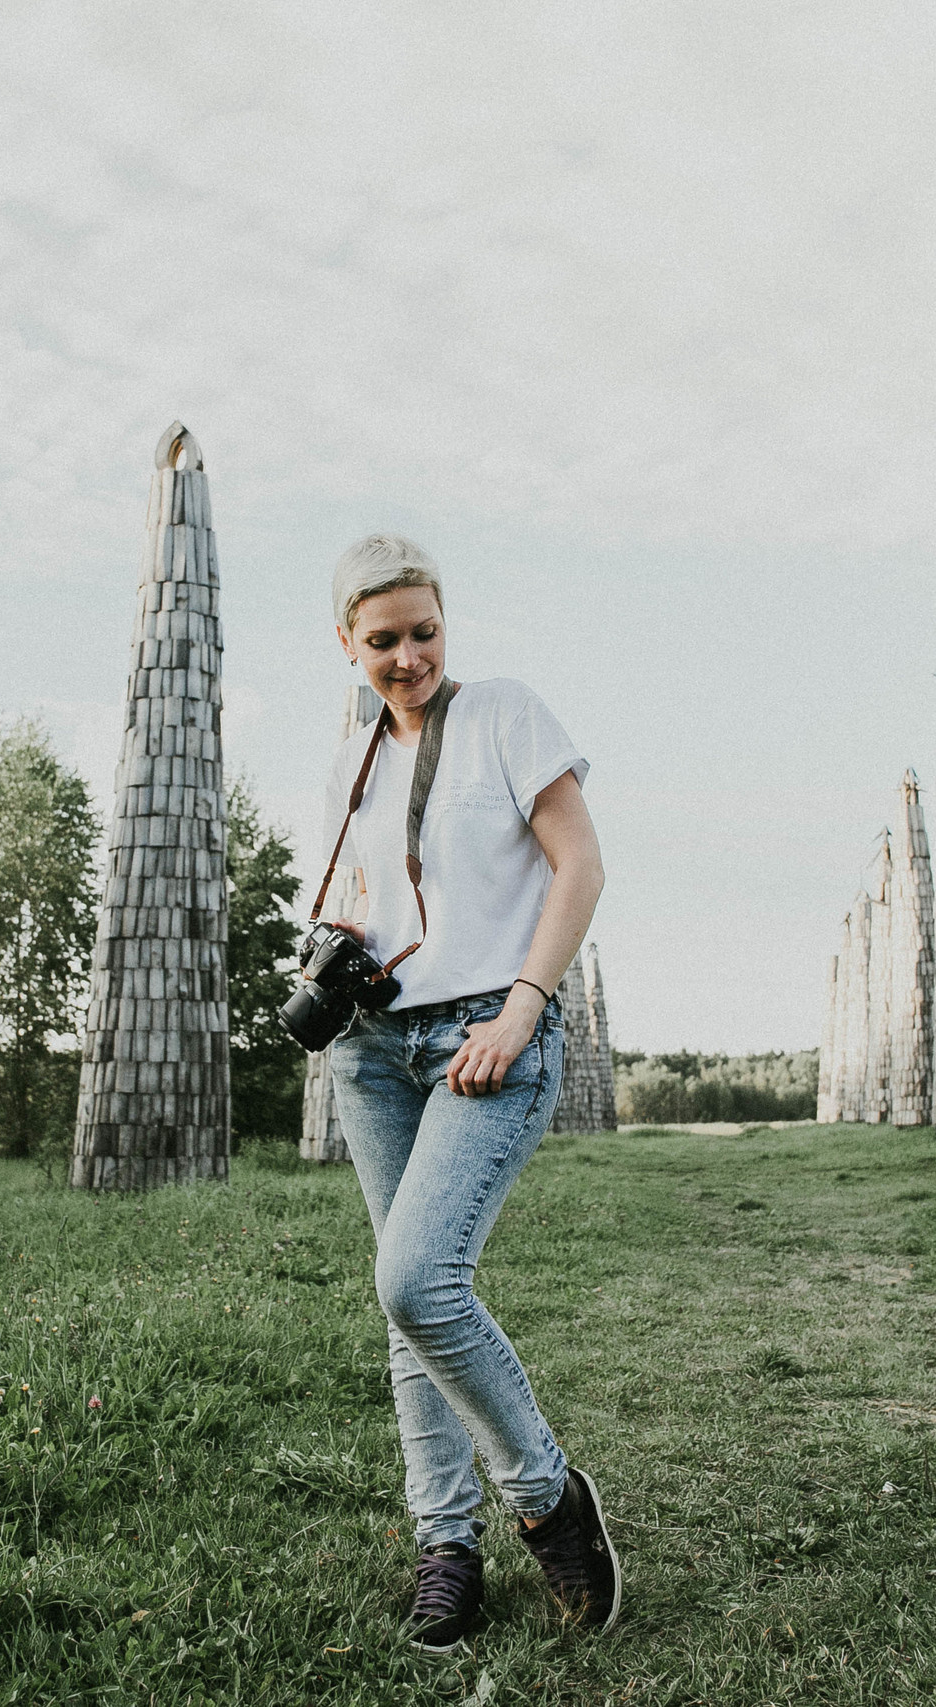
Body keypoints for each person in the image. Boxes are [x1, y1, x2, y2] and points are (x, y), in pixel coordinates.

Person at [313, 532, 620, 1652]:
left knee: (416, 1280)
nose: (407, 657)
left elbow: (579, 864)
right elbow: (373, 901)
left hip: (488, 1031)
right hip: (373, 1047)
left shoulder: (503, 714)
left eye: (423, 631)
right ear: (345, 642)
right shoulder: (353, 755)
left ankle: (544, 1500)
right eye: (382, 639)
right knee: (408, 1313)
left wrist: (523, 1009)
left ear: (447, 622)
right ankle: (446, 1548)